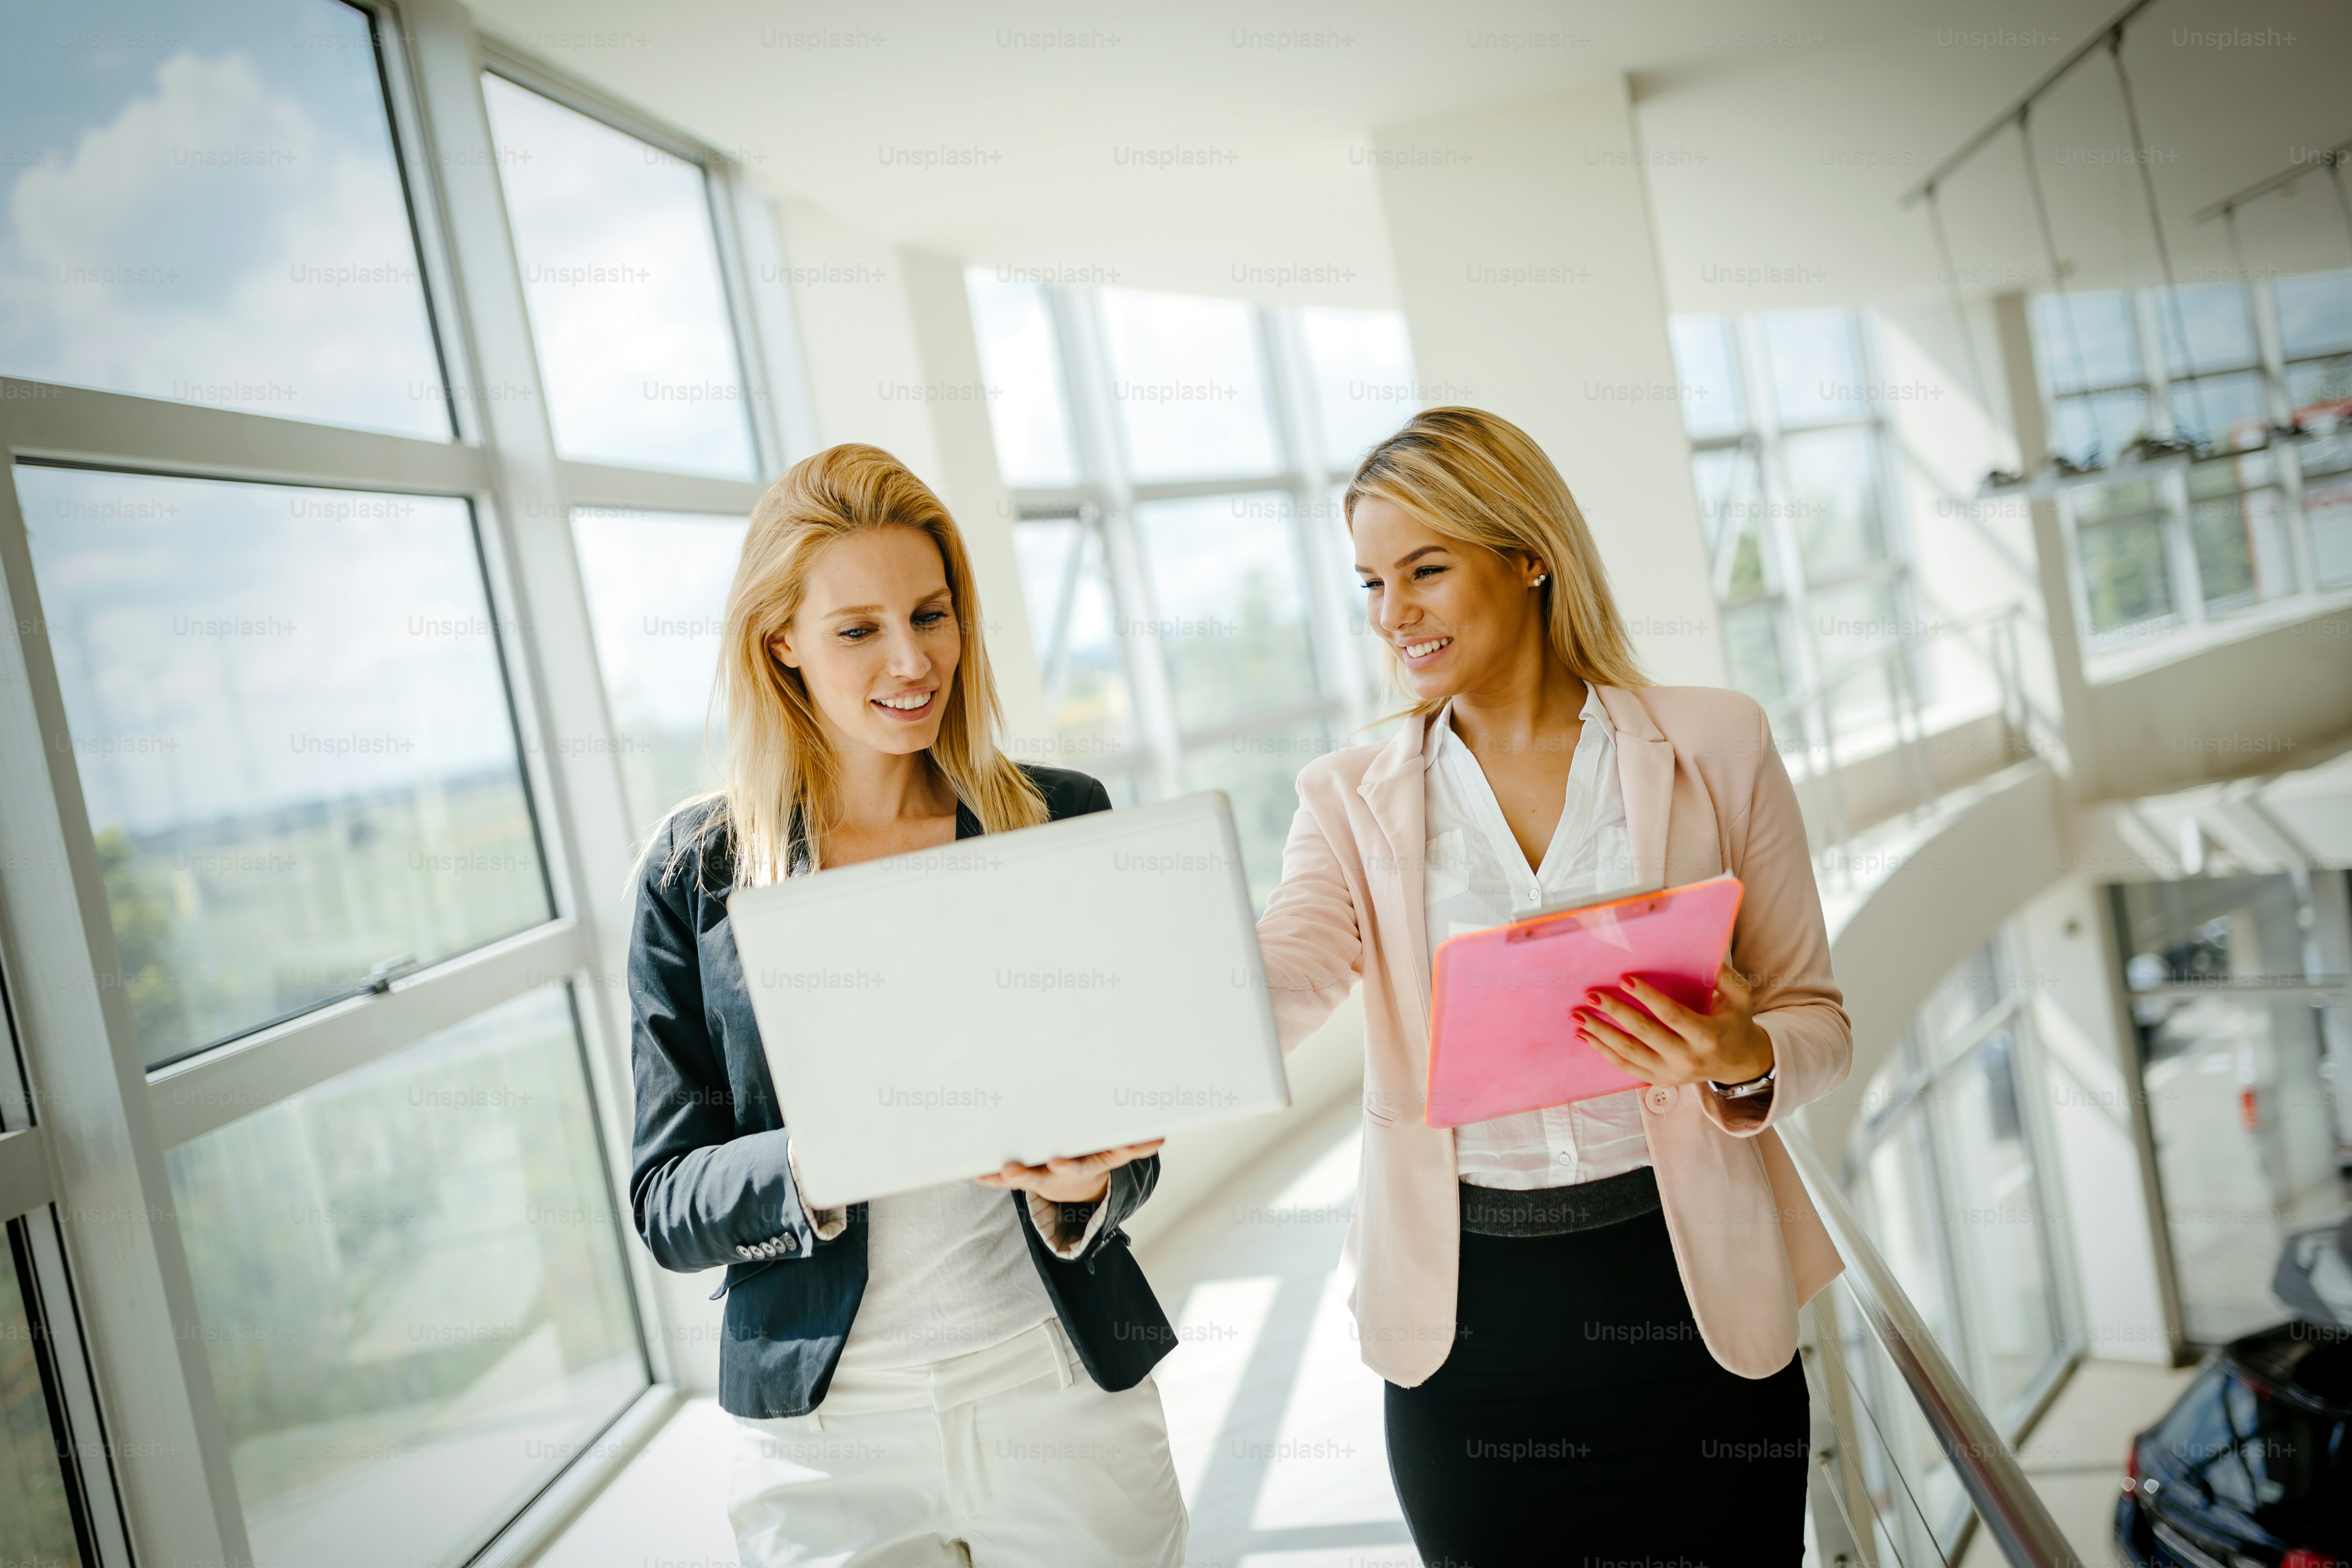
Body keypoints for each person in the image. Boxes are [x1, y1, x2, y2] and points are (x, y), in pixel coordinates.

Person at [1254, 407, 1851, 1564]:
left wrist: (1742, 1053)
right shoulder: (1347, 798)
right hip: (1472, 1348)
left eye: (1426, 570)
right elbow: (1291, 973)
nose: (1394, 615)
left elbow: (1815, 1016)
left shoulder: (1717, 745)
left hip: (1694, 1313)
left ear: (1529, 556)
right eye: (1373, 582)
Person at [627, 443, 1187, 1567]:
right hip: (826, 1436)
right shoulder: (696, 872)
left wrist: (1088, 1186)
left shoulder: (1059, 819)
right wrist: (825, 1154)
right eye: (858, 630)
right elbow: (665, 1199)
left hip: (1056, 1382)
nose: (911, 659)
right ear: (780, 642)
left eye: (933, 615)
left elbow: (1132, 1134)